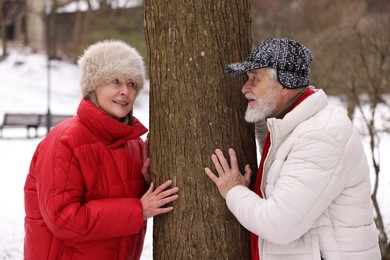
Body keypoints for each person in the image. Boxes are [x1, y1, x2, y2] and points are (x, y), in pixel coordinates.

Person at [204, 38, 381, 260]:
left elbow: (279, 225)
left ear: (285, 84)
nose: (244, 88)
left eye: (254, 79)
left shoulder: (321, 137)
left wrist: (233, 190)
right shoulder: (295, 123)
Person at [24, 39, 179, 260]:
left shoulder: (134, 144)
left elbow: (125, 198)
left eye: (132, 83)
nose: (125, 91)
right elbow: (64, 219)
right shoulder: (66, 141)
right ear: (93, 85)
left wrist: (146, 182)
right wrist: (138, 210)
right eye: (115, 81)